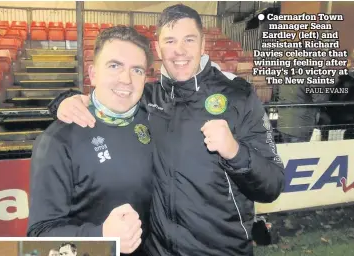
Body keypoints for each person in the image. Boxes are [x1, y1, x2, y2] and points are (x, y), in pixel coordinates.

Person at [47, 4, 285, 256]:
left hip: (222, 250)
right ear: (159, 48)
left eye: (188, 40)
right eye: (170, 40)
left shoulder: (239, 96)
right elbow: (108, 97)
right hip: (159, 250)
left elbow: (272, 185)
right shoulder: (147, 97)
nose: (179, 50)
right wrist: (65, 99)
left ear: (203, 45)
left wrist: (235, 152)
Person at [27, 26, 154, 255]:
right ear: (93, 73)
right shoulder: (58, 139)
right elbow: (40, 237)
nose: (126, 79)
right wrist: (101, 238)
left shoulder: (155, 119)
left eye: (137, 70)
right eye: (114, 66)